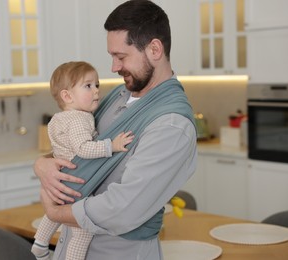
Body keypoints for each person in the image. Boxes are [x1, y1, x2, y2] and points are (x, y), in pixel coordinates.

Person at [34, 1, 198, 259]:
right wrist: (42, 164)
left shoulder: (171, 125)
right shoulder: (119, 96)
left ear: (155, 49)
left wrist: (56, 214)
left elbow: (123, 208)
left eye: (121, 57)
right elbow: (79, 148)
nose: (113, 67)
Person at [31, 61, 134, 260]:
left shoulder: (58, 119)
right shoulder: (79, 119)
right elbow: (83, 148)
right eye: (88, 86)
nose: (96, 91)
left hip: (63, 180)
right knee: (82, 231)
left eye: (97, 85)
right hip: (78, 182)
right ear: (67, 96)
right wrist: (111, 146)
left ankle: (40, 243)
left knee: (54, 213)